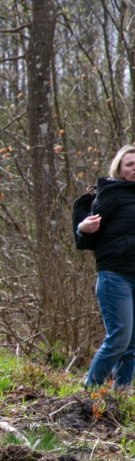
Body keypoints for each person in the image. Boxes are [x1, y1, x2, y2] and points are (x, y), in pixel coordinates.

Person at [75, 144, 135, 387]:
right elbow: (88, 237)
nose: (134, 169)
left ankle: (120, 398)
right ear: (119, 169)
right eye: (130, 164)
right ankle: (89, 391)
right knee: (119, 338)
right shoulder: (111, 193)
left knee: (132, 345)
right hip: (115, 277)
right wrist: (82, 228)